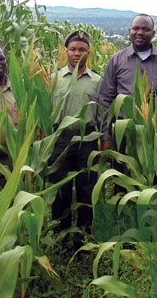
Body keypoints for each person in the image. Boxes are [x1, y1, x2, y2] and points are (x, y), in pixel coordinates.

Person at [98, 13, 157, 151]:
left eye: (146, 29)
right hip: (124, 132)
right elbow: (106, 99)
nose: (140, 32)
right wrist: (105, 136)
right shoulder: (117, 60)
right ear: (129, 31)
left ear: (153, 33)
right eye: (135, 28)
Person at [48, 30, 102, 235]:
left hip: (87, 138)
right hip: (60, 137)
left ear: (89, 52)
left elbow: (102, 112)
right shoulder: (54, 79)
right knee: (60, 186)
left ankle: (84, 233)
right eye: (72, 49)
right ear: (66, 51)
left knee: (86, 186)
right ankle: (60, 232)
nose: (77, 53)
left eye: (82, 49)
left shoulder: (97, 81)